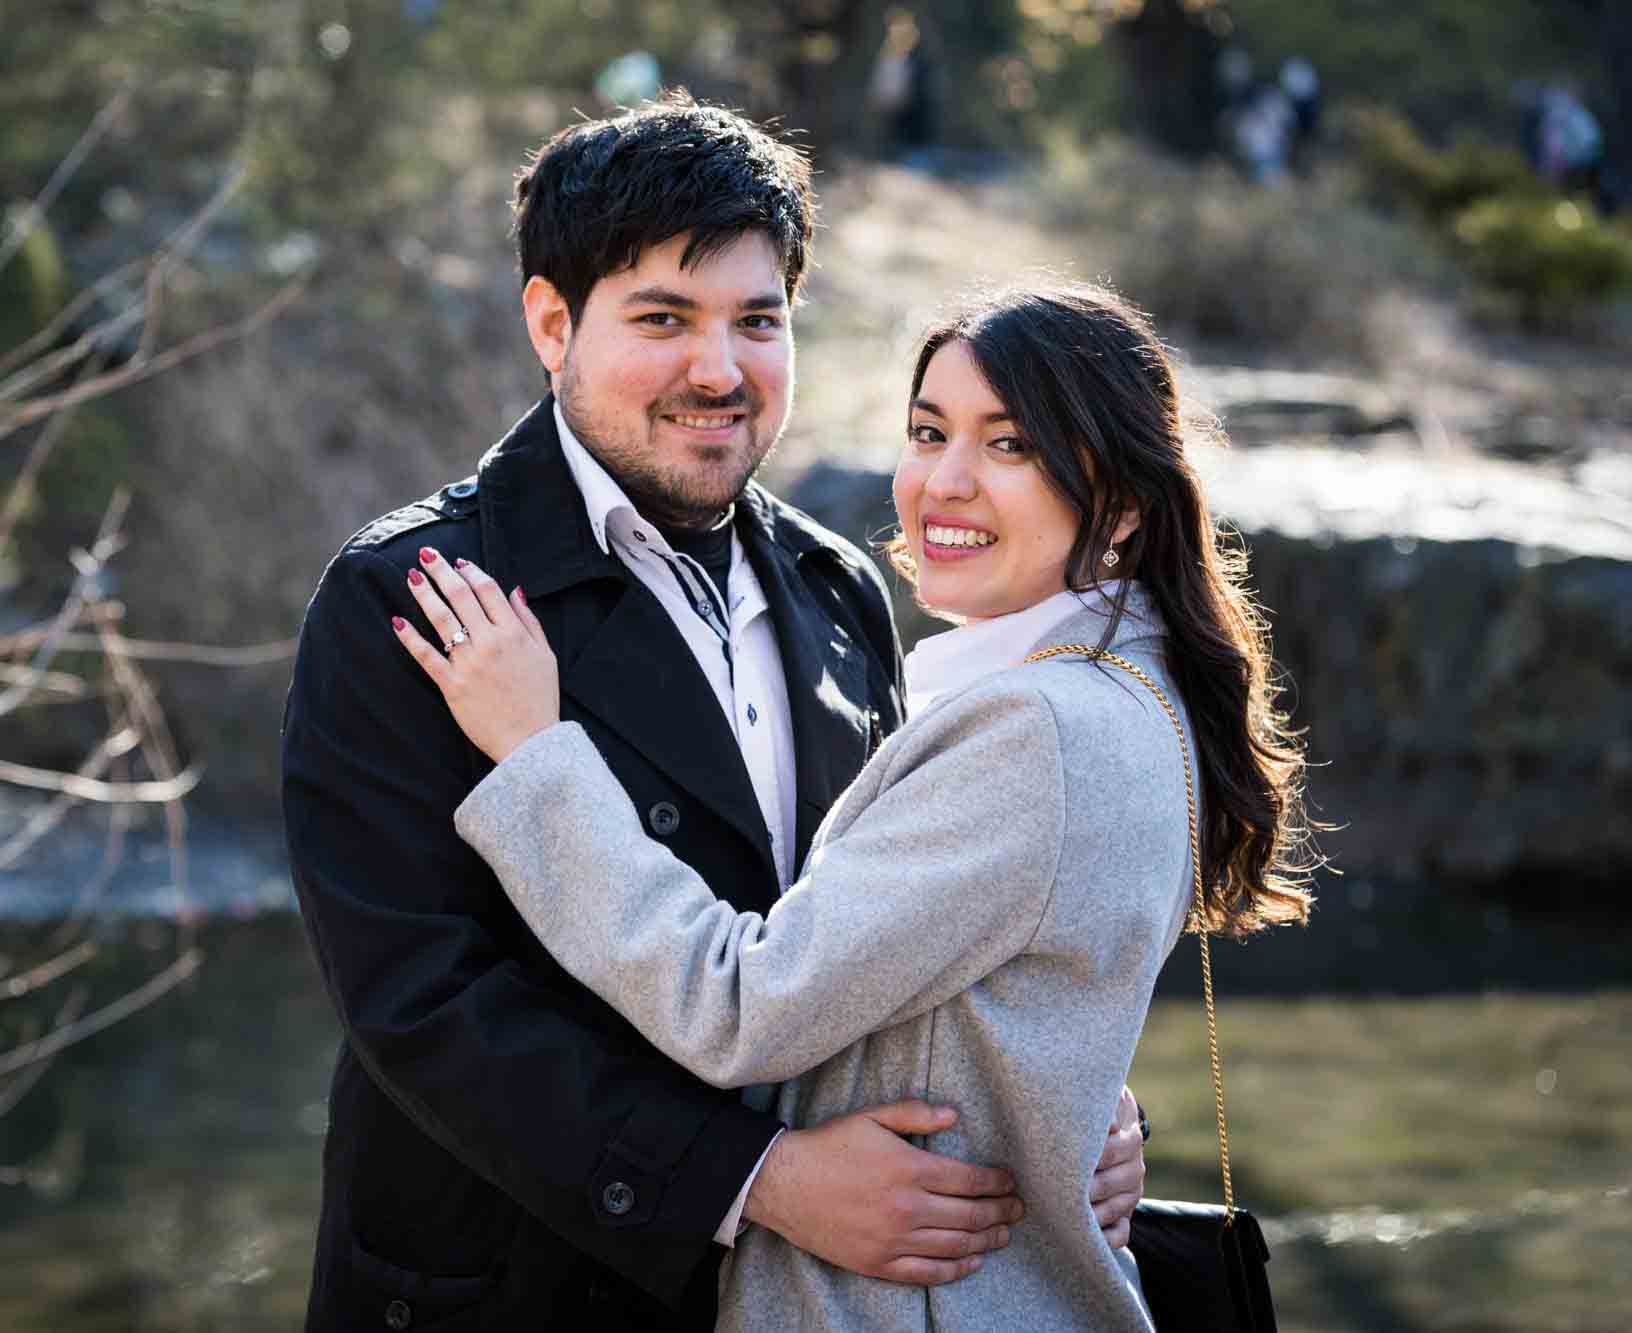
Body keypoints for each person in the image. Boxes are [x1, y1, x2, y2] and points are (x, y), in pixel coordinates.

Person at [282, 97, 1147, 1332]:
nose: (717, 368)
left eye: (756, 321)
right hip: (504, 1291)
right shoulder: (416, 596)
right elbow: (422, 1004)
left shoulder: (837, 586)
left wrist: (1073, 1111)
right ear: (549, 323)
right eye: (661, 319)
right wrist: (757, 1181)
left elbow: (900, 940)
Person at [390, 282, 1317, 1330]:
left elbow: (737, 1007)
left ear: (1124, 499)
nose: (943, 482)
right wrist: (1065, 1109)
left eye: (1010, 446)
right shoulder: (1124, 691)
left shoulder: (1036, 729)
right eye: (927, 432)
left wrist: (536, 752)